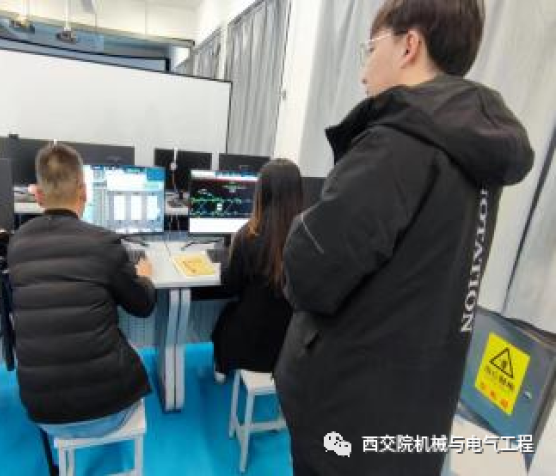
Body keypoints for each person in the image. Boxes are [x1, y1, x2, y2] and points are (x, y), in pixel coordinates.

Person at [274, 0, 534, 474]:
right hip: (415, 414)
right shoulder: (477, 154)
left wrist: (301, 225)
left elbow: (309, 272)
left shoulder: (396, 145)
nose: (362, 72)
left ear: (408, 45)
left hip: (346, 420)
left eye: (370, 49)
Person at [7, 143, 155, 439]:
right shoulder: (104, 243)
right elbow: (143, 306)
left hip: (45, 415)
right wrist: (145, 277)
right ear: (84, 192)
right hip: (110, 411)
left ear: (38, 195)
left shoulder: (17, 244)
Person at [211, 159, 303, 379]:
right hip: (288, 344)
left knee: (225, 318)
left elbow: (231, 286)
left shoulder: (248, 236)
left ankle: (221, 368)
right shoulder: (308, 237)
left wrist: (225, 262)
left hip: (250, 345)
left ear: (262, 193)